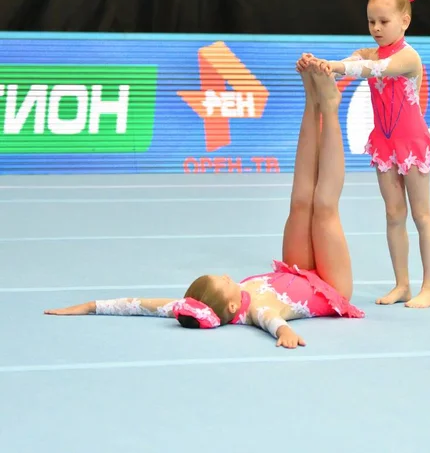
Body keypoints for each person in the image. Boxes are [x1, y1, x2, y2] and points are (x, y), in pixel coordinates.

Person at [44, 57, 365, 349]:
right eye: (224, 282)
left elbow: (144, 305)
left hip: (297, 271)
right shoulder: (257, 310)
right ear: (228, 308)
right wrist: (286, 334)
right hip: (329, 287)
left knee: (298, 203)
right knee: (323, 208)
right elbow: (274, 323)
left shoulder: (204, 304)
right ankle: (331, 107)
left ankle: (311, 102)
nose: (228, 276)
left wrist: (89, 306)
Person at [305, 0, 430, 309]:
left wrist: (339, 67)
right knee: (394, 214)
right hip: (384, 142)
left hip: (411, 144)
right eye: (371, 21)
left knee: (421, 215)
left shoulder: (408, 58)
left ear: (404, 21)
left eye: (384, 21)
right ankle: (402, 284)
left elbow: (374, 69)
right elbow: (357, 60)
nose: (376, 28)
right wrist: (322, 66)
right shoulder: (370, 50)